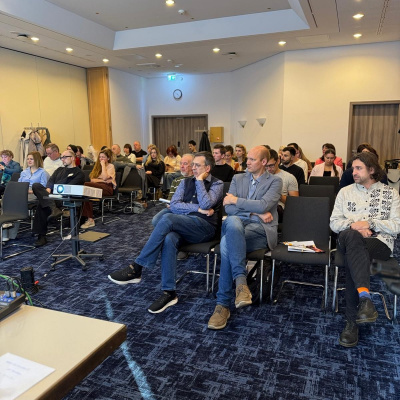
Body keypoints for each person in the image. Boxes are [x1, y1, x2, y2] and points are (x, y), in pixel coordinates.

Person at [108, 151, 223, 314]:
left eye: (197, 165)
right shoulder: (185, 182)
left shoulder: (217, 184)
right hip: (184, 225)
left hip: (204, 228)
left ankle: (137, 267)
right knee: (169, 238)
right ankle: (169, 292)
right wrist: (196, 209)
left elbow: (206, 204)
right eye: (193, 165)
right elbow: (174, 205)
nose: (193, 168)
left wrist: (199, 181)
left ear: (208, 168)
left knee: (167, 218)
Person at [207, 146, 282, 330]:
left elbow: (263, 205)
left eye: (252, 159)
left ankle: (222, 305)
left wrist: (236, 200)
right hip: (239, 224)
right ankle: (241, 284)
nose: (247, 162)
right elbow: (228, 208)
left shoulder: (275, 181)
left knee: (227, 243)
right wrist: (254, 212)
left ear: (264, 162)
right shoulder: (238, 178)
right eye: (247, 158)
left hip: (261, 230)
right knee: (232, 222)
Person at [330, 151, 400, 347]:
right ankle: (364, 301)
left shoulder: (390, 194)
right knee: (353, 239)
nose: (353, 172)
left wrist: (370, 223)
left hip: (380, 242)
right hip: (349, 238)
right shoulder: (345, 192)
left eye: (359, 168)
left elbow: (397, 226)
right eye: (353, 168)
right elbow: (334, 223)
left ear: (371, 169)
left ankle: (353, 320)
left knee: (353, 258)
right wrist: (355, 226)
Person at [31, 149, 85, 246]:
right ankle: (53, 208)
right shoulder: (59, 170)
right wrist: (48, 190)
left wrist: (50, 193)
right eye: (61, 157)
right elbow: (51, 182)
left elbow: (69, 187)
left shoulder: (79, 173)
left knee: (42, 204)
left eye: (65, 157)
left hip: (64, 197)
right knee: (36, 185)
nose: (62, 159)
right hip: (52, 196)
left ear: (72, 158)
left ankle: (41, 236)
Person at [80, 148, 116, 229]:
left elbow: (105, 177)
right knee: (86, 193)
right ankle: (88, 218)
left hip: (107, 189)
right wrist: (103, 180)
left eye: (103, 157)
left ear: (108, 158)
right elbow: (92, 179)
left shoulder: (111, 166)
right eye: (100, 157)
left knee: (85, 186)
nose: (101, 159)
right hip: (97, 187)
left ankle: (89, 219)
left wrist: (103, 165)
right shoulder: (97, 166)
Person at [266, 149, 299, 222]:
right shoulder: (260, 176)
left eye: (271, 165)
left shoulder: (289, 177)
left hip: (278, 209)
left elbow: (295, 202)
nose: (268, 169)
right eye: (266, 166)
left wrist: (278, 195)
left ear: (278, 161)